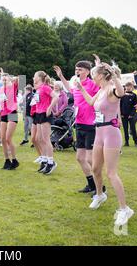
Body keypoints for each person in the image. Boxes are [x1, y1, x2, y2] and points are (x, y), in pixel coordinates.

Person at [77, 62, 134, 226]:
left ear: (101, 75)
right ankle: (100, 195)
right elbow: (90, 102)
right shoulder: (101, 90)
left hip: (111, 134)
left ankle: (124, 209)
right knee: (95, 168)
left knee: (111, 173)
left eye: (94, 74)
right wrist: (81, 89)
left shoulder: (110, 88)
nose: (92, 77)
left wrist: (115, 76)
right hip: (99, 133)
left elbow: (121, 92)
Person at [54, 59, 100, 194]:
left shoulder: (92, 84)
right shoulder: (76, 84)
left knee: (90, 159)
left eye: (80, 69)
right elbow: (70, 89)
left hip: (91, 125)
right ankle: (91, 184)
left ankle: (100, 186)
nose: (77, 72)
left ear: (87, 71)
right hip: (79, 124)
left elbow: (102, 93)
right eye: (76, 70)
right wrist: (61, 76)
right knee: (80, 158)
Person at [32, 71, 59, 174]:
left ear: (39, 77)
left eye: (34, 76)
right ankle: (44, 160)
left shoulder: (45, 87)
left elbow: (56, 97)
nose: (33, 78)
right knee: (39, 139)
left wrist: (49, 107)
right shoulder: (39, 88)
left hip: (45, 114)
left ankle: (51, 162)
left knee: (46, 139)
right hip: (38, 114)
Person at [0, 70, 20, 170]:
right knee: (2, 139)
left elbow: (20, 78)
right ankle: (7, 160)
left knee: (8, 138)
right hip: (3, 114)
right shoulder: (0, 89)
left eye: (5, 78)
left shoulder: (13, 86)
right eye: (2, 79)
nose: (4, 80)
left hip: (12, 113)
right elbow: (1, 103)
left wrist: (11, 78)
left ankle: (14, 160)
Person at [120, 82, 137, 147]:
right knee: (125, 129)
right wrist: (121, 113)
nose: (128, 87)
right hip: (123, 115)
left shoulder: (134, 95)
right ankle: (126, 142)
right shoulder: (122, 95)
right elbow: (120, 105)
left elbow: (135, 106)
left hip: (131, 115)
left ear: (132, 87)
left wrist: (132, 114)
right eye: (127, 86)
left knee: (133, 128)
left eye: (129, 86)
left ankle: (135, 142)